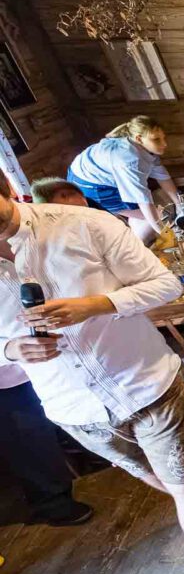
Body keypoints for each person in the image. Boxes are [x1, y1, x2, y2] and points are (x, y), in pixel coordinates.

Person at [0, 180, 184, 574]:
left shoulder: (84, 224)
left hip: (145, 382)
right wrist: (9, 349)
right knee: (168, 482)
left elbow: (167, 284)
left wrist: (99, 304)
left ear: (4, 188)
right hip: (74, 409)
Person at [0, 174, 92, 526]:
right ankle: (53, 502)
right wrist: (8, 349)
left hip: (67, 348)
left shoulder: (45, 227)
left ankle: (95, 460)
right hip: (10, 373)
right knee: (28, 436)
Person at [67, 116, 179, 243]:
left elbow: (162, 176)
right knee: (152, 217)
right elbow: (143, 200)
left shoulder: (142, 146)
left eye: (164, 138)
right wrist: (165, 233)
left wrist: (180, 204)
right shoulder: (131, 161)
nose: (164, 144)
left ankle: (139, 236)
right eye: (156, 139)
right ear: (139, 139)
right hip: (90, 186)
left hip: (90, 172)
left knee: (151, 214)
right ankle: (138, 246)